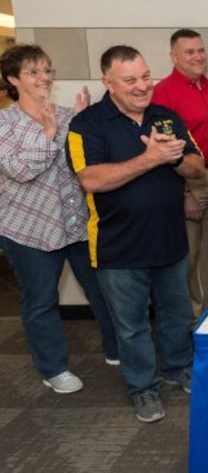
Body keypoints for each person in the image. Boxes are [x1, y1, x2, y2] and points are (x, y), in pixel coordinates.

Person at [67, 45, 204, 423]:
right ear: (107, 82)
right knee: (131, 327)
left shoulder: (166, 117)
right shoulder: (87, 125)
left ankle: (178, 367)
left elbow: (198, 166)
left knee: (177, 316)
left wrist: (175, 157)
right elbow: (90, 179)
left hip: (171, 243)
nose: (143, 86)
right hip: (119, 249)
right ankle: (143, 388)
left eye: (146, 76)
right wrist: (149, 159)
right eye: (131, 80)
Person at [0, 44, 118, 394]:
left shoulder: (69, 115)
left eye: (47, 70)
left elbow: (83, 165)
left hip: (76, 223)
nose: (44, 78)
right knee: (41, 301)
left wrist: (84, 121)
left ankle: (117, 349)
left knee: (102, 291)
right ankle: (53, 368)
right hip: (29, 230)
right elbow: (20, 170)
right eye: (34, 72)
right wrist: (50, 135)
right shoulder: (5, 122)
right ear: (12, 79)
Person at [152, 29, 208, 314]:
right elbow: (163, 150)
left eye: (200, 50)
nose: (197, 56)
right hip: (187, 183)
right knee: (188, 255)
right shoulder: (163, 94)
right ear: (174, 57)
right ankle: (190, 317)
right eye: (189, 52)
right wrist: (185, 192)